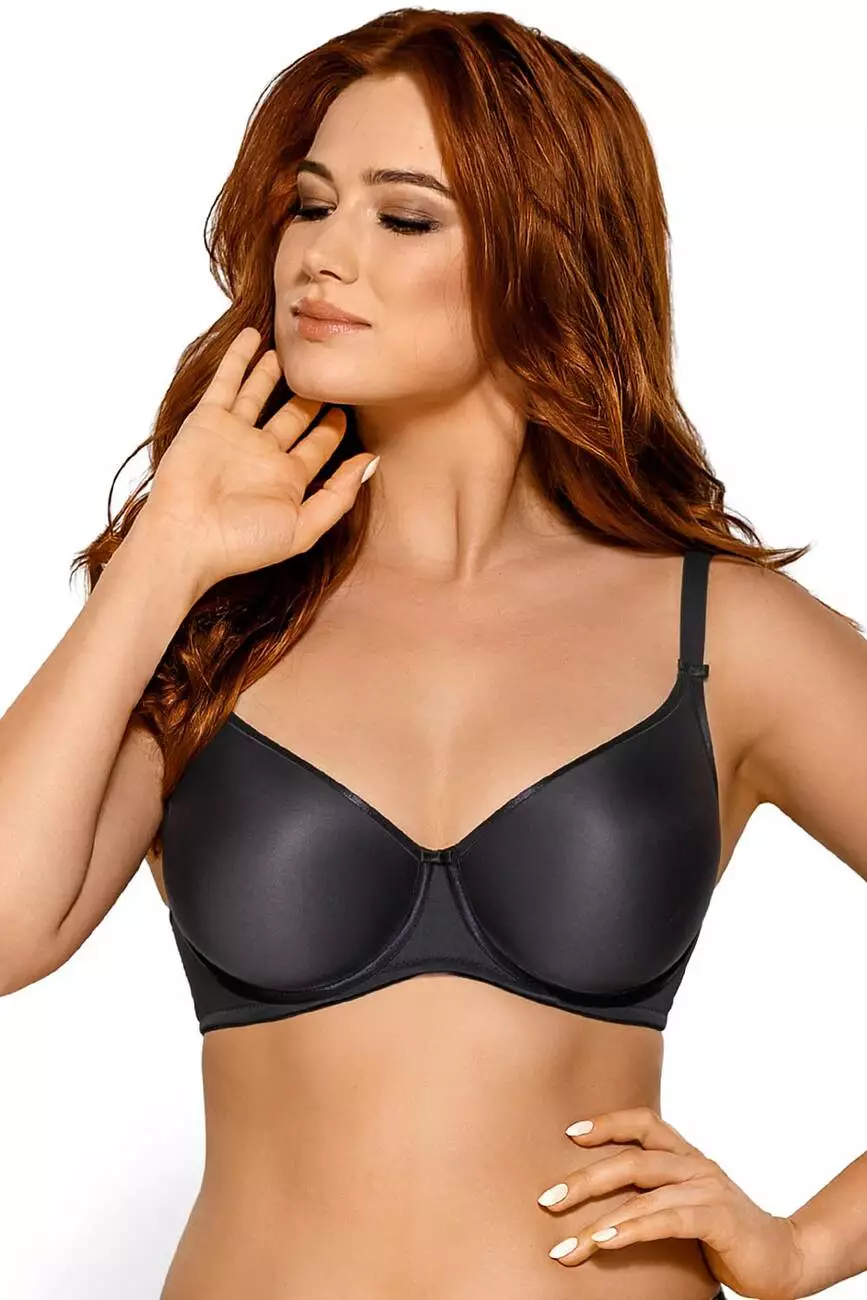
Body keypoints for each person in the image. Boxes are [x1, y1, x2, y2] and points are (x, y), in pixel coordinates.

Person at [1, 10, 865, 1300]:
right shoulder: (212, 624)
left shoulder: (722, 634)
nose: (321, 254)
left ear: (547, 259)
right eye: (309, 204)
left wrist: (807, 1246)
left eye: (404, 218)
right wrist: (164, 556)